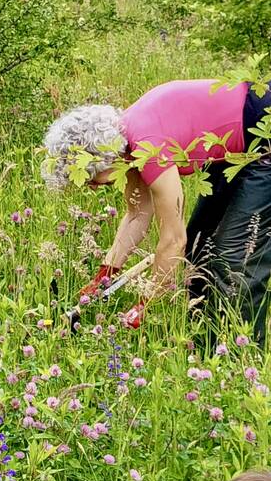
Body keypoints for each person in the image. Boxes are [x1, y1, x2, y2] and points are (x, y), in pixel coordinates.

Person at [41, 79, 271, 337]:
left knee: (235, 259)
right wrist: (104, 276)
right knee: (199, 248)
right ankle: (205, 344)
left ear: (101, 158)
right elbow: (138, 214)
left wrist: (145, 303)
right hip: (235, 150)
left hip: (264, 135)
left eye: (90, 177)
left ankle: (240, 358)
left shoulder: (149, 146)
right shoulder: (126, 147)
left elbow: (174, 240)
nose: (92, 186)